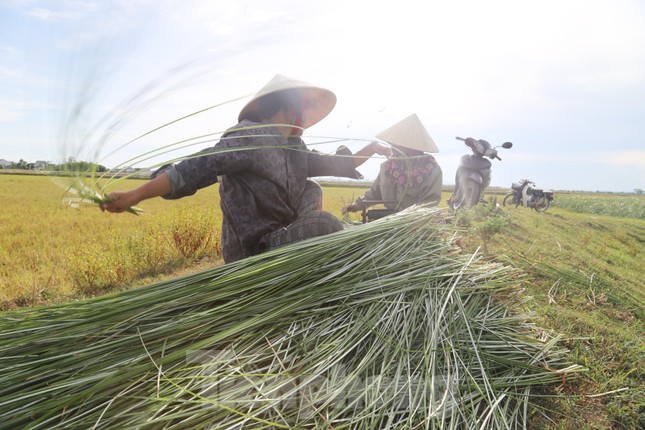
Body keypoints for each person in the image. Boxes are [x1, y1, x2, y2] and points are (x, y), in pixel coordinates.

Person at [100, 74, 390, 263]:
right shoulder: (250, 136)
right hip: (257, 248)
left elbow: (338, 163)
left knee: (311, 188)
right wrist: (137, 194)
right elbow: (195, 168)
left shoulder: (294, 148)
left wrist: (372, 148)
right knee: (326, 224)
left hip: (285, 233)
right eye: (304, 108)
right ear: (289, 108)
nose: (307, 117)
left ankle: (311, 259)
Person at [343, 113, 442, 216]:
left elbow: (429, 203)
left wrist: (406, 217)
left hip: (416, 224)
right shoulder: (387, 167)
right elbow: (375, 193)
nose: (394, 147)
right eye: (393, 143)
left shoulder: (430, 169)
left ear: (412, 146)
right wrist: (357, 205)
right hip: (389, 220)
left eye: (399, 144)